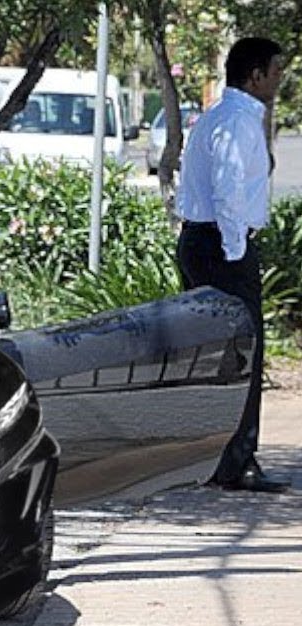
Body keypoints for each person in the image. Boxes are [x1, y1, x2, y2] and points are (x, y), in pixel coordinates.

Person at [175, 36, 288, 492]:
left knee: (219, 358)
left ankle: (215, 460)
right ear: (254, 74)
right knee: (243, 351)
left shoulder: (222, 117)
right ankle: (236, 462)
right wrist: (238, 253)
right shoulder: (237, 122)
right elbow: (229, 192)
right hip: (221, 246)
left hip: (206, 241)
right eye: (276, 70)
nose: (281, 78)